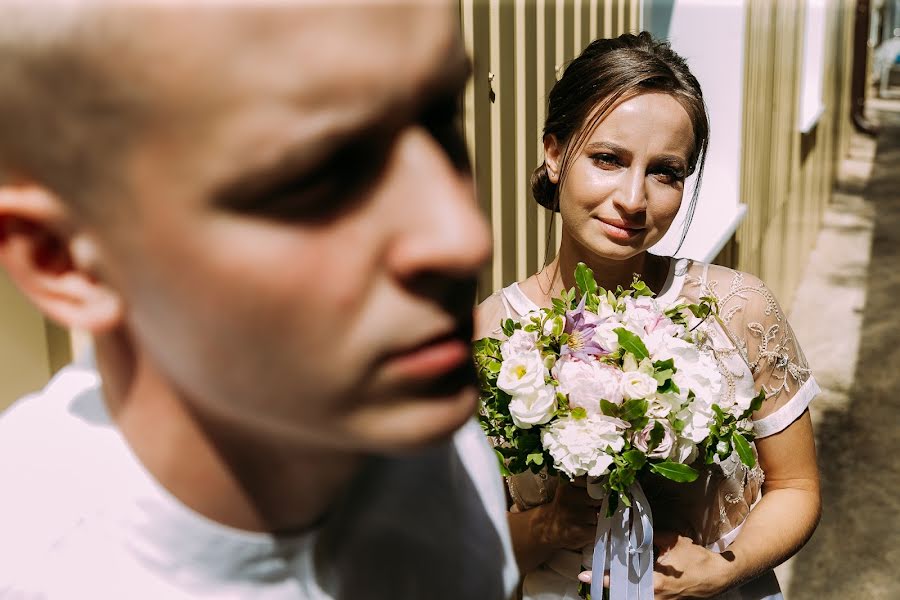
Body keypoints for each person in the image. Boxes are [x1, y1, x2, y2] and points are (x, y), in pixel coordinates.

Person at [0, 1, 518, 598]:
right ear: (63, 260)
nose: (465, 237)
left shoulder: (428, 433)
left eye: (442, 120)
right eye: (315, 177)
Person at [474, 32, 821, 600]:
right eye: (608, 159)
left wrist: (725, 570)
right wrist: (548, 525)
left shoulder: (738, 309)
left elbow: (798, 486)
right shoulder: (489, 337)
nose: (633, 199)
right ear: (555, 155)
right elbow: (460, 540)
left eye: (666, 172)